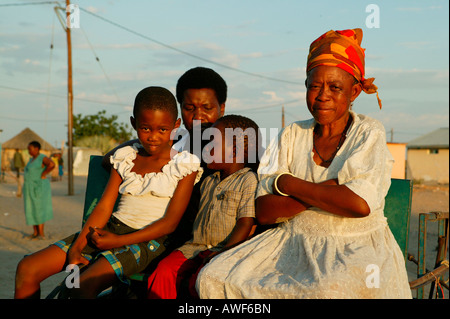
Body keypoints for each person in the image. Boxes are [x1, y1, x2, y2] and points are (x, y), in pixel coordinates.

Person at [196, 28, 412, 299]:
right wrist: (331, 190)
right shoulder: (291, 134)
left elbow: (359, 205)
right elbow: (264, 210)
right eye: (314, 86)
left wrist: (287, 183)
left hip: (353, 245)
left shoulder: (369, 132)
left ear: (355, 91)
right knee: (213, 277)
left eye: (335, 88)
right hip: (291, 242)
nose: (323, 95)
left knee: (328, 291)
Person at [14, 86, 203, 299]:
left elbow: (169, 223)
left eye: (162, 129)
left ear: (176, 126)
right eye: (145, 128)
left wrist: (116, 242)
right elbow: (104, 206)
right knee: (27, 268)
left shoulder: (184, 164)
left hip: (150, 241)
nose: (153, 137)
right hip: (110, 230)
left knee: (81, 285)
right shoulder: (126, 157)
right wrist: (78, 246)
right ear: (134, 124)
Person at [102, 67, 228, 252]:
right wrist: (146, 141)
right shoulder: (172, 147)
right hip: (161, 239)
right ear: (180, 110)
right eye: (189, 108)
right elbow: (108, 160)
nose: (198, 116)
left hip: (208, 241)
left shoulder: (231, 155)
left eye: (207, 108)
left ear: (221, 108)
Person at [147, 115, 259, 299]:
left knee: (202, 282)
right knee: (163, 270)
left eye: (213, 143)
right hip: (193, 247)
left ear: (235, 150)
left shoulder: (248, 180)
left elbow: (245, 223)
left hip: (222, 249)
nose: (206, 149)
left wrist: (224, 253)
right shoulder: (208, 181)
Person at [22, 141, 54, 239]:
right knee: (31, 209)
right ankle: (35, 233)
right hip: (29, 188)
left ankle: (41, 233)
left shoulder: (42, 158)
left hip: (38, 187)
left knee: (39, 209)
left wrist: (43, 174)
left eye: (30, 149)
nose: (28, 151)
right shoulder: (31, 159)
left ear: (36, 149)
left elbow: (51, 164)